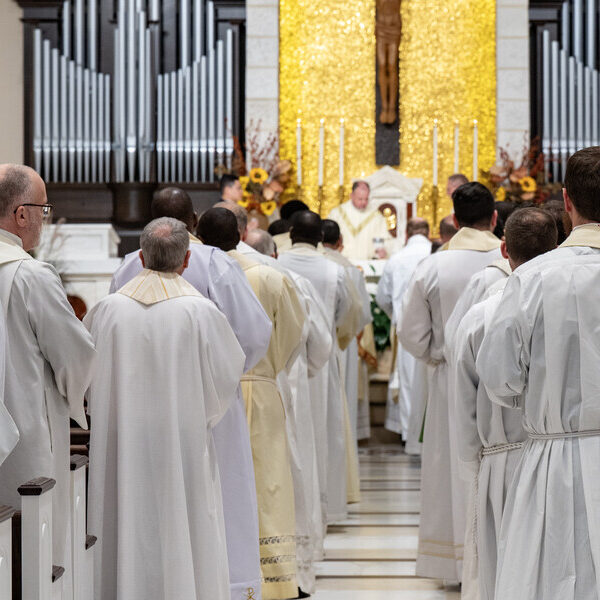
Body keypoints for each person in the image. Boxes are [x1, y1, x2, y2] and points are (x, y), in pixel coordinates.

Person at [111, 187, 271, 600]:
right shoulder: (216, 264)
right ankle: (222, 586)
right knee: (213, 497)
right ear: (195, 221)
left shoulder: (128, 265)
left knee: (143, 494)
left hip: (135, 408)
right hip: (204, 408)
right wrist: (218, 381)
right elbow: (252, 337)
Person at [86, 218, 244, 600]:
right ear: (187, 259)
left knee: (122, 521)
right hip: (182, 444)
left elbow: (84, 381)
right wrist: (195, 413)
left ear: (140, 257)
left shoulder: (106, 311)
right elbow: (226, 379)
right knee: (186, 523)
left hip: (120, 444)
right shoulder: (201, 312)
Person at [477, 147, 600, 600]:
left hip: (556, 457)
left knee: (549, 577)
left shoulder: (531, 279)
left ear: (566, 202)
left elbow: (499, 378)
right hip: (558, 449)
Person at [199, 207, 305, 600]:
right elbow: (293, 335)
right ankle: (273, 582)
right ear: (241, 233)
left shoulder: (189, 274)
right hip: (259, 388)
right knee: (268, 486)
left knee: (216, 486)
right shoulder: (270, 275)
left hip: (209, 394)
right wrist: (268, 369)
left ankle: (217, 573)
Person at [452, 208, 557, 600]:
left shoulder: (479, 317)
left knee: (499, 571)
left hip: (501, 460)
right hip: (556, 455)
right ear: (556, 246)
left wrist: (470, 466)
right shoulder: (567, 307)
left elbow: (464, 402)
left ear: (504, 250)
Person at [398, 182, 501, 583]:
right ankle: (496, 560)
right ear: (494, 218)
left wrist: (438, 356)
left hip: (448, 380)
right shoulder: (514, 257)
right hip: (506, 382)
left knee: (452, 466)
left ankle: (456, 565)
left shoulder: (434, 265)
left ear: (454, 220)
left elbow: (411, 334)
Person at [0, 165, 96, 584]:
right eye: (43, 208)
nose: (45, 217)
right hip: (27, 433)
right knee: (33, 555)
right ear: (22, 214)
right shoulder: (30, 275)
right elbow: (75, 355)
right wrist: (77, 397)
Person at [247, 226, 333, 595]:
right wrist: (290, 372)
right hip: (275, 385)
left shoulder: (205, 272)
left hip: (223, 391)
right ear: (273, 252)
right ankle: (291, 573)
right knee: (287, 475)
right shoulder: (284, 278)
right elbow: (316, 342)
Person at [279, 211, 355, 524]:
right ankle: (326, 508)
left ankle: (293, 510)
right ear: (321, 239)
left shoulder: (275, 264)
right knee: (323, 433)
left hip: (282, 363)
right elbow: (346, 313)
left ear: (291, 232)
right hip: (322, 362)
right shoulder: (334, 271)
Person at [376, 218, 431, 452]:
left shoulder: (397, 259)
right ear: (428, 232)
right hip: (437, 329)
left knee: (409, 382)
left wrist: (396, 318)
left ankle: (410, 435)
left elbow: (382, 298)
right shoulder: (436, 253)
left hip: (407, 329)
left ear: (407, 233)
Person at [322, 218, 374, 441]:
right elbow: (362, 315)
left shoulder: (308, 263)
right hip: (344, 342)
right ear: (340, 241)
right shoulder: (350, 270)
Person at [328, 181, 392, 260]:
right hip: (342, 261)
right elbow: (328, 239)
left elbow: (382, 238)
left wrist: (381, 249)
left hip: (368, 262)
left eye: (366, 199)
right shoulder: (337, 213)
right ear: (351, 196)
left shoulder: (376, 216)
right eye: (360, 199)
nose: (363, 202)